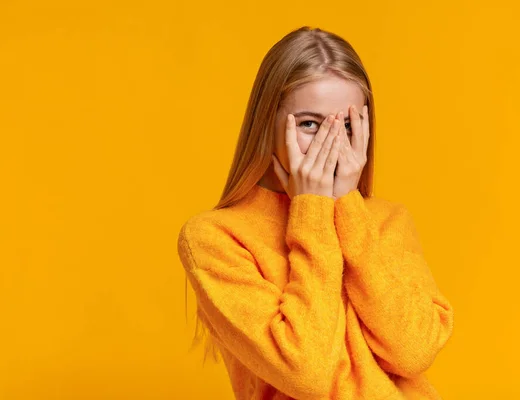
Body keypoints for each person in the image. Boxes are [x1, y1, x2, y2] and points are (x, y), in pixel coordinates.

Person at [177, 26, 454, 400]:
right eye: (310, 124)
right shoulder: (215, 238)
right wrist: (312, 210)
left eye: (347, 126)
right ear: (265, 126)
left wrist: (348, 210)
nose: (332, 145)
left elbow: (413, 352)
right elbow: (305, 372)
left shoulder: (388, 220)